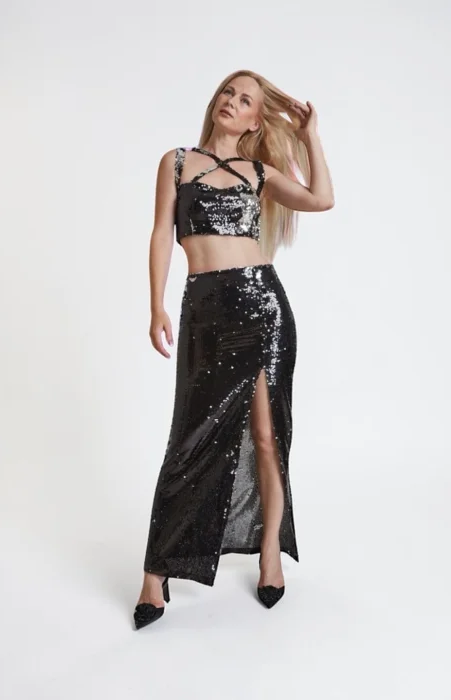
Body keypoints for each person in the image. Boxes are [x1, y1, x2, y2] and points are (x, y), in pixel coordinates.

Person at [134, 70, 334, 630]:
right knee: (189, 438)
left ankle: (270, 554)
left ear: (253, 123)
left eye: (245, 100)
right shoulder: (176, 161)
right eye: (229, 92)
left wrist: (310, 135)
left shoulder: (258, 173)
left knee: (269, 437)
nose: (232, 102)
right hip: (206, 309)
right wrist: (156, 306)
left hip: (263, 305)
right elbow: (160, 233)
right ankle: (155, 571)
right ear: (216, 101)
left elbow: (322, 199)